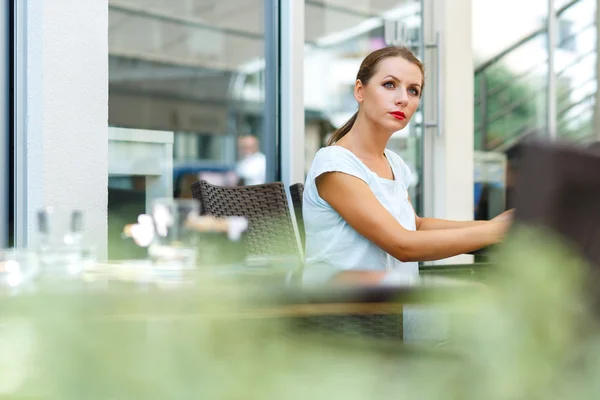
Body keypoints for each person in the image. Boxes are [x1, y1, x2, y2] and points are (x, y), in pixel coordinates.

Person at [302, 46, 512, 285]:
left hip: (396, 307)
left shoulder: (394, 163)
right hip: (350, 314)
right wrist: (495, 232)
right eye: (390, 84)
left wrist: (495, 224)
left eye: (413, 91)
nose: (403, 99)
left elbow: (416, 225)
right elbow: (402, 244)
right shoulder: (335, 164)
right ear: (360, 90)